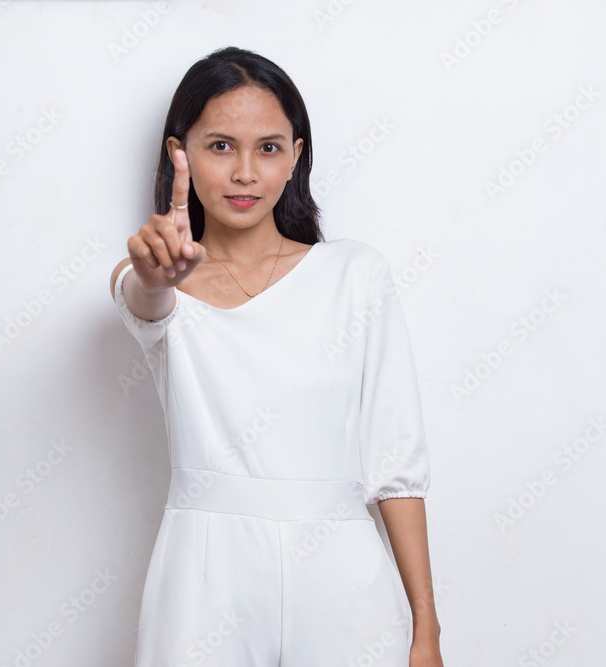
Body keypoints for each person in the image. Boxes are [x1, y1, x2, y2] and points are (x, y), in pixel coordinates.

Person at [110, 46, 445, 666]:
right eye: (219, 146)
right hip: (204, 576)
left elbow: (395, 460)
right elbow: (141, 300)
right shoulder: (159, 282)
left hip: (343, 572)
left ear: (295, 157)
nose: (245, 172)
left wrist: (427, 628)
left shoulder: (355, 274)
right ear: (177, 153)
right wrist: (156, 274)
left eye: (268, 147)